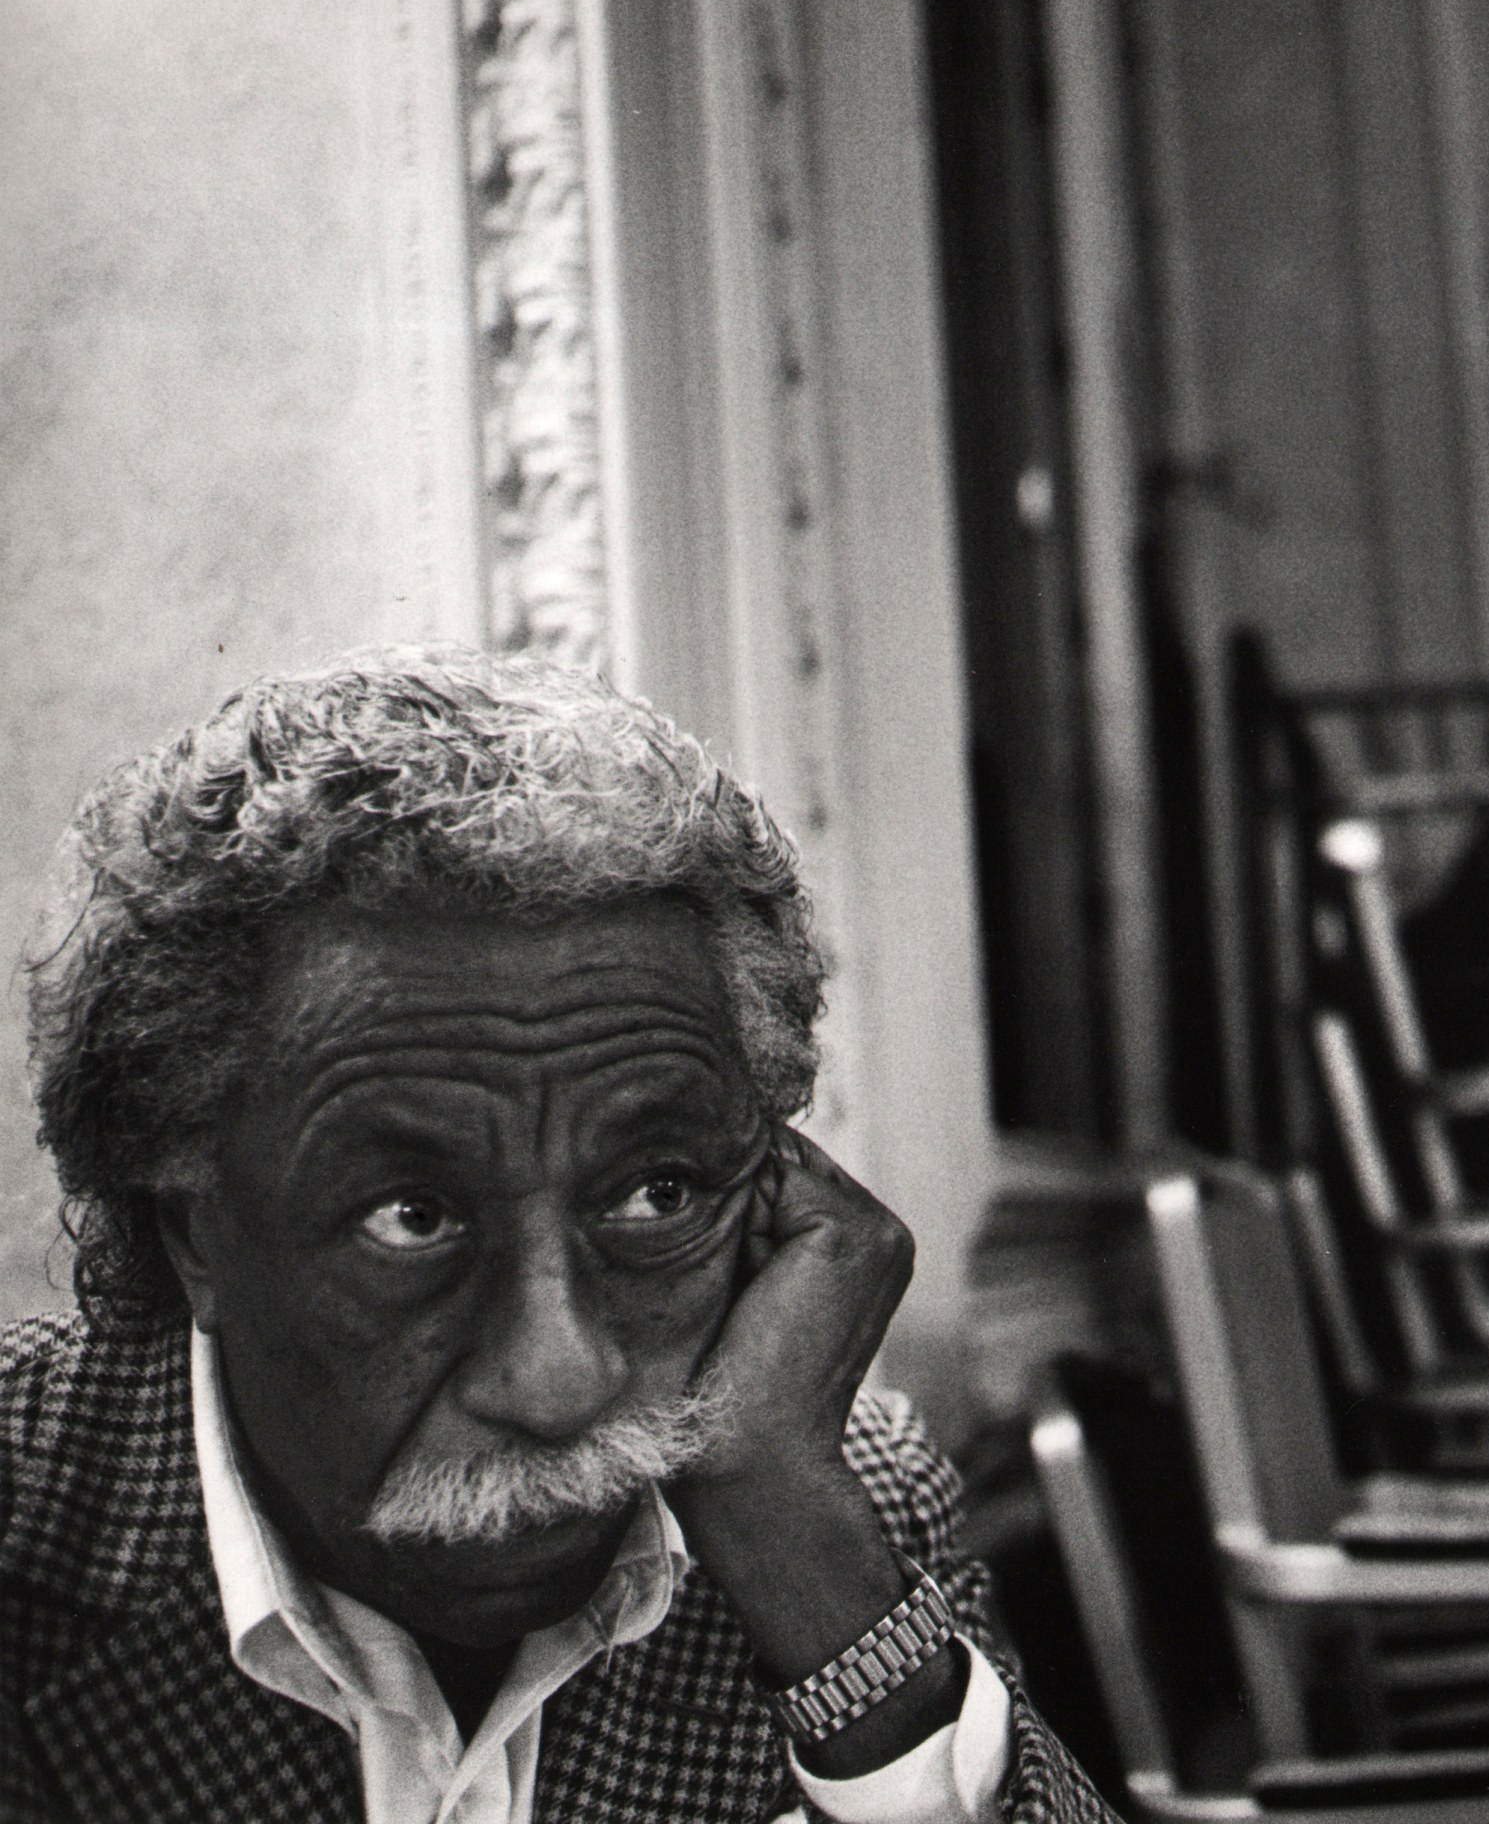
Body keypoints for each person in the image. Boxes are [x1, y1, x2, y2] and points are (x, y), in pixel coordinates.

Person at [0, 647, 1117, 1823]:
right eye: (413, 1219)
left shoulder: (830, 1498)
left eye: (658, 1195)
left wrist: (809, 1569)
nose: (561, 1378)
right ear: (191, 1234)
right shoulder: (26, 1517)